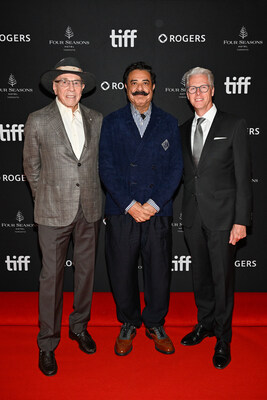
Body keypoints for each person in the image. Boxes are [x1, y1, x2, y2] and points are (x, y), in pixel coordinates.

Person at [23, 57, 103, 376]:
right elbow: (31, 167)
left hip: (90, 208)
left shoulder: (97, 119)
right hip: (52, 210)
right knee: (51, 279)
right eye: (64, 81)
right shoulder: (38, 120)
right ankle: (47, 343)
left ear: (83, 88)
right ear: (54, 86)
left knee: (85, 274)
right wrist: (45, 197)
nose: (71, 87)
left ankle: (79, 326)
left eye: (76, 82)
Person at [99, 61, 183, 356]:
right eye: (134, 82)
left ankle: (156, 323)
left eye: (145, 82)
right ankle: (129, 323)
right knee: (121, 271)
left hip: (158, 211)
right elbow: (106, 168)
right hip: (122, 210)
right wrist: (130, 204)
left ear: (153, 87)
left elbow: (176, 169)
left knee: (159, 272)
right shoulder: (111, 122)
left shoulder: (169, 122)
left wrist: (153, 204)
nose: (140, 88)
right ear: (125, 87)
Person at [180, 67, 252, 369]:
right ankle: (205, 324)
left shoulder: (233, 124)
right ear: (187, 94)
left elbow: (244, 177)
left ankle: (223, 338)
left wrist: (241, 220)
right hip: (194, 217)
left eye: (203, 87)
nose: (198, 93)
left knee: (222, 281)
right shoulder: (183, 129)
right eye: (192, 89)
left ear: (213, 90)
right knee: (201, 278)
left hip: (225, 219)